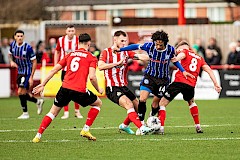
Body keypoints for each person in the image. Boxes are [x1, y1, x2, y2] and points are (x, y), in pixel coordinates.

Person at [32, 33, 103, 143]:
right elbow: (92, 77)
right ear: (89, 43)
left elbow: (54, 70)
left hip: (64, 88)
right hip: (79, 90)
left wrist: (43, 84)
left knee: (52, 112)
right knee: (98, 103)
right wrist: (99, 89)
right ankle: (85, 129)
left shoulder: (70, 55)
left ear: (78, 43)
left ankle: (38, 135)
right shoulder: (91, 57)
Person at [115, 30, 194, 126]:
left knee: (155, 104)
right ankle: (141, 124)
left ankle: (152, 116)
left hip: (163, 80)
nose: (158, 47)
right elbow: (135, 46)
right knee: (142, 99)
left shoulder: (170, 49)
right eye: (156, 44)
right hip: (150, 76)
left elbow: (174, 60)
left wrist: (183, 71)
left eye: (160, 45)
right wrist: (121, 50)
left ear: (165, 43)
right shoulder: (149, 46)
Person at [158, 40, 222, 134]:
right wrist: (216, 84)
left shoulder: (185, 51)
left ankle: (161, 128)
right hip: (190, 85)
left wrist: (175, 58)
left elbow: (180, 56)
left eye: (178, 49)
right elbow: (208, 69)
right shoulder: (200, 58)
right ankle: (198, 126)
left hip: (179, 82)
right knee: (191, 102)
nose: (177, 50)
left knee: (162, 103)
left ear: (182, 48)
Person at [98, 30, 154, 135]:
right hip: (112, 87)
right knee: (129, 105)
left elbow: (141, 57)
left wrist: (154, 56)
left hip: (123, 86)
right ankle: (142, 128)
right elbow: (100, 66)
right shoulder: (106, 52)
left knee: (137, 106)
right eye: (122, 41)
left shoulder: (126, 52)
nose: (124, 43)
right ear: (115, 39)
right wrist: (116, 64)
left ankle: (124, 126)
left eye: (125, 41)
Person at [9, 30, 44, 119]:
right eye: (18, 36)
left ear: (23, 37)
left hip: (27, 72)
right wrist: (11, 61)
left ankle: (25, 113)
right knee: (22, 93)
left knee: (20, 92)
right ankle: (37, 102)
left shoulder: (27, 47)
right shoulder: (13, 45)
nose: (20, 37)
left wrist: (31, 77)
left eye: (21, 36)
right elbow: (9, 54)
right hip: (19, 71)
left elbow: (34, 61)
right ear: (15, 37)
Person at [54, 25, 83, 119]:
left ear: (75, 32)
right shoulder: (61, 40)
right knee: (65, 90)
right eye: (69, 30)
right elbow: (57, 51)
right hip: (65, 69)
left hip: (75, 69)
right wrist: (56, 64)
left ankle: (77, 111)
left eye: (72, 30)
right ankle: (66, 112)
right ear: (66, 31)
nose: (71, 32)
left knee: (76, 89)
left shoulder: (78, 40)